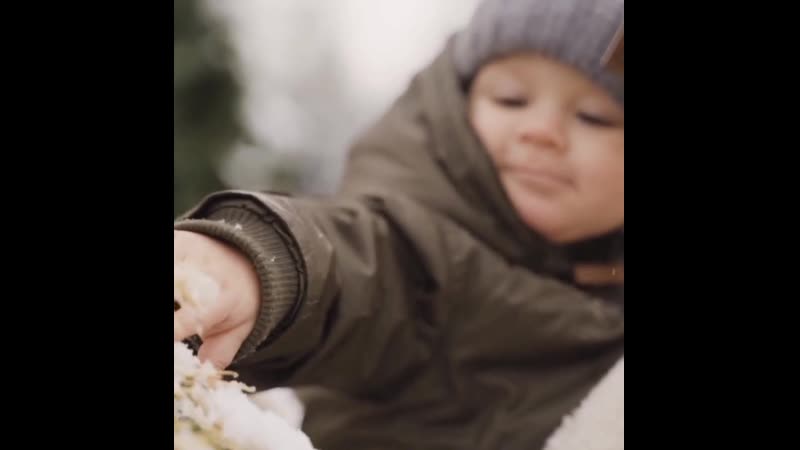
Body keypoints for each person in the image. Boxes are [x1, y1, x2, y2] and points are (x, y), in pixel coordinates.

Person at [173, 0, 624, 447]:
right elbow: (361, 261)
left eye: (595, 116)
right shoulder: (429, 258)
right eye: (510, 99)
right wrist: (255, 264)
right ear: (458, 105)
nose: (540, 130)